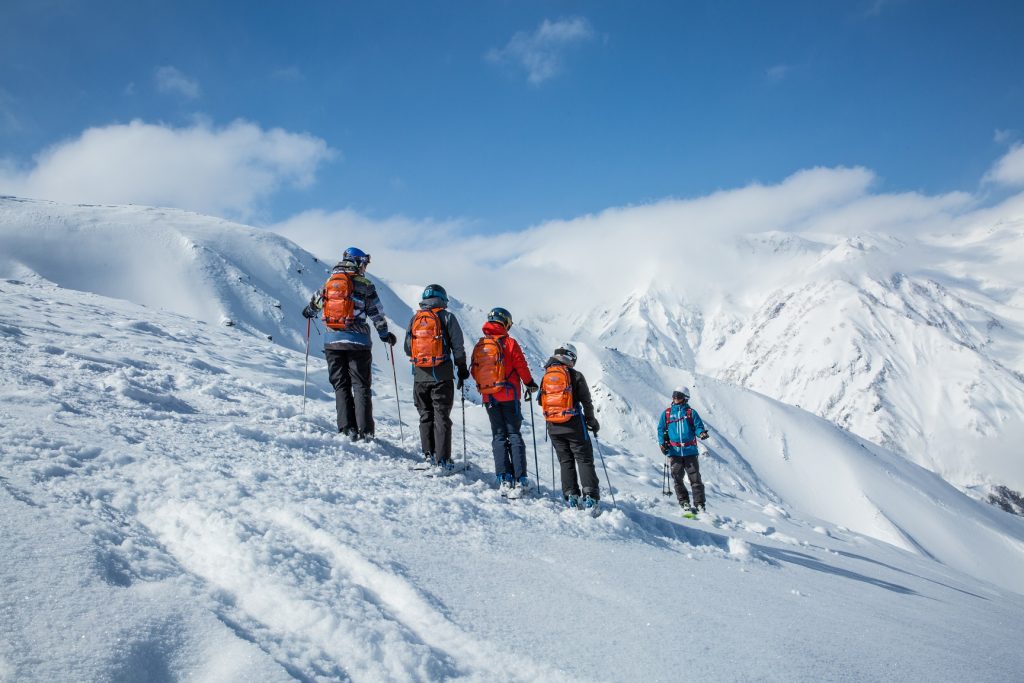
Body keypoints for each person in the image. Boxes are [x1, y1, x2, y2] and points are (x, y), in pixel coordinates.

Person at [302, 246, 396, 440]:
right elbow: (376, 313)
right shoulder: (365, 284)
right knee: (361, 386)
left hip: (332, 342)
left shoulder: (330, 282)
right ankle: (366, 431)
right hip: (358, 343)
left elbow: (314, 305)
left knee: (341, 385)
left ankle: (346, 429)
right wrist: (385, 335)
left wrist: (308, 312)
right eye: (364, 263)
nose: (365, 267)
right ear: (358, 262)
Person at [470, 307, 537, 497]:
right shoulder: (509, 343)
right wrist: (530, 384)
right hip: (509, 395)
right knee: (514, 434)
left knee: (498, 435)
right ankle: (520, 478)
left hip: (489, 396)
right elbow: (521, 366)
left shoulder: (481, 344)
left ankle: (503, 477)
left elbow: (475, 371)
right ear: (505, 322)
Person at [404, 284, 469, 471]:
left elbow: (408, 348)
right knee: (441, 416)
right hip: (442, 376)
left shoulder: (415, 318)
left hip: (419, 377)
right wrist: (462, 368)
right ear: (442, 299)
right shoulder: (447, 317)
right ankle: (443, 460)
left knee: (425, 416)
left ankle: (428, 456)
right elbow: (458, 346)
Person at [538, 343, 602, 511]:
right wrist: (591, 421)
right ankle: (590, 496)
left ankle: (571, 496)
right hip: (573, 424)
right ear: (570, 358)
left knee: (565, 460)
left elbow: (540, 400)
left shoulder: (547, 376)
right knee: (584, 458)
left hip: (553, 426)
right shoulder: (575, 376)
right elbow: (586, 402)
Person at [657, 387, 710, 513]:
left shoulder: (691, 413)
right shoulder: (667, 413)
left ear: (685, 398)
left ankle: (700, 504)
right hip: (674, 451)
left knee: (695, 478)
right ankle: (684, 502)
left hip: (690, 451)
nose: (675, 397)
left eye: (678, 395)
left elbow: (698, 427)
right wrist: (662, 444)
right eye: (674, 395)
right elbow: (660, 429)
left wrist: (701, 433)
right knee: (677, 478)